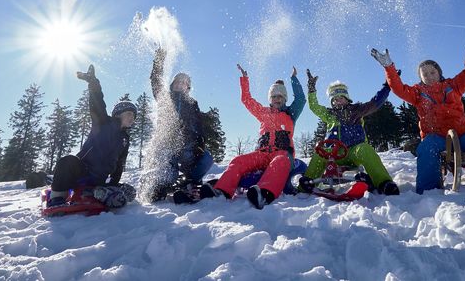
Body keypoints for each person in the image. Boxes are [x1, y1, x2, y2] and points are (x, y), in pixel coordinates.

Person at [371, 25, 465, 194]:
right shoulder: (418, 93)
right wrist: (389, 67)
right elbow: (398, 88)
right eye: (424, 74)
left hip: (463, 136)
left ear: (439, 73)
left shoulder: (453, 86)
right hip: (437, 138)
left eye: (432, 72)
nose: (429, 76)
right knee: (426, 148)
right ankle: (429, 190)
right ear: (420, 78)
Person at [201, 64, 306, 209]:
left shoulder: (290, 113)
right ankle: (221, 191)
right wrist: (244, 79)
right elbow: (247, 100)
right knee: (238, 160)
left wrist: (294, 78)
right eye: (274, 96)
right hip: (261, 154)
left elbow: (300, 99)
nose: (277, 99)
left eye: (280, 96)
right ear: (270, 98)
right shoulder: (263, 113)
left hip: (282, 154)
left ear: (285, 98)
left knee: (280, 161)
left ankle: (264, 194)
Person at [48, 65, 137, 208]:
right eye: (129, 114)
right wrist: (93, 83)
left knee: (130, 192)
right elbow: (98, 104)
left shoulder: (125, 139)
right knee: (67, 161)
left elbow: (120, 164)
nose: (132, 118)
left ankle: (98, 192)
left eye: (134, 116)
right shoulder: (103, 122)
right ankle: (57, 198)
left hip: (100, 179)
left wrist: (114, 183)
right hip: (82, 172)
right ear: (119, 113)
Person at [299, 69, 399, 195]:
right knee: (320, 153)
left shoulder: (357, 111)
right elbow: (314, 106)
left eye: (340, 98)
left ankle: (384, 183)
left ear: (347, 98)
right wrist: (311, 89)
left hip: (353, 152)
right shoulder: (330, 115)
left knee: (365, 149)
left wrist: (387, 86)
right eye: (334, 99)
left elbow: (376, 102)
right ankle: (307, 183)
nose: (337, 101)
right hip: (334, 155)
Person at [143, 47, 213, 203]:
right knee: (170, 173)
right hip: (167, 145)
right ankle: (161, 185)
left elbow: (198, 125)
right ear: (172, 84)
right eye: (178, 82)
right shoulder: (165, 98)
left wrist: (200, 142)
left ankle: (190, 182)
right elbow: (155, 80)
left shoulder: (192, 103)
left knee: (207, 158)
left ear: (188, 87)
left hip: (187, 146)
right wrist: (159, 60)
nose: (181, 85)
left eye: (184, 83)